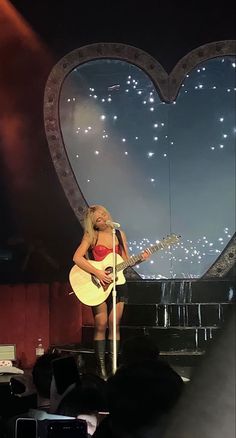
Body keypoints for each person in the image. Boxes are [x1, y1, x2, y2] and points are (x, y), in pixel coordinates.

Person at [73, 205, 150, 380]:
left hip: (118, 283)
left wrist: (140, 259)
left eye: (100, 214)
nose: (98, 217)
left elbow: (126, 261)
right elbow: (77, 257)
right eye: (94, 218)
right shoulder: (91, 236)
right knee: (101, 324)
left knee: (114, 323)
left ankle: (113, 367)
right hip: (99, 284)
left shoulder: (119, 234)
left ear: (106, 214)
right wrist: (98, 273)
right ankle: (101, 370)